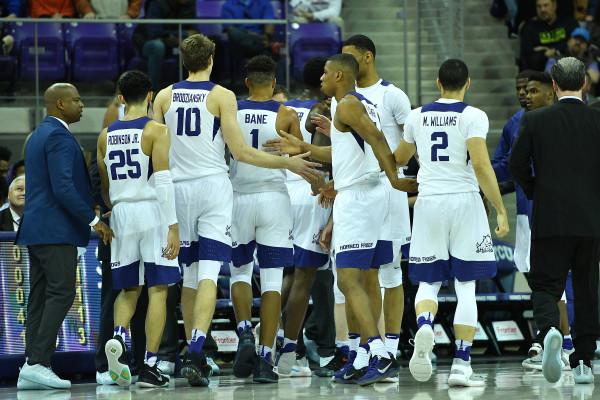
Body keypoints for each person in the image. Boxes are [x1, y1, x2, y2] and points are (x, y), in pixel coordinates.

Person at [152, 34, 319, 387]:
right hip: (228, 190)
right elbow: (241, 151)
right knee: (256, 277)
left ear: (183, 60)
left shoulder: (165, 95)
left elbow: (155, 150)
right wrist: (288, 164)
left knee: (199, 275)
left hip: (187, 189)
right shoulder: (228, 98)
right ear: (211, 58)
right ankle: (261, 356)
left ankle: (230, 335)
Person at [268, 53, 417, 386]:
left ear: (338, 75)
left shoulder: (348, 104)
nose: (320, 78)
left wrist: (394, 177)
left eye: (324, 73)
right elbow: (343, 154)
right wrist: (302, 146)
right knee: (365, 279)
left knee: (348, 280)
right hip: (369, 193)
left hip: (361, 198)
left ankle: (379, 353)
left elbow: (379, 140)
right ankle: (363, 356)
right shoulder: (348, 106)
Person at [394, 59, 509, 388]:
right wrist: (500, 209)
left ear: (437, 82)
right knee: (466, 286)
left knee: (427, 283)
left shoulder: (417, 116)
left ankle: (426, 323)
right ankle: (461, 364)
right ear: (468, 83)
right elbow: (482, 166)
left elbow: (400, 159)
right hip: (464, 203)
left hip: (429, 203)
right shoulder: (473, 116)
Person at [510, 57, 600, 385]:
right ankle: (584, 363)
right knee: (588, 288)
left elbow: (516, 164)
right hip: (591, 222)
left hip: (550, 218)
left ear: (554, 86)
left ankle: (549, 331)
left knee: (546, 285)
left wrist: (537, 190)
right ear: (585, 84)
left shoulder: (536, 121)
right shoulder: (597, 121)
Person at [16, 83, 113, 390]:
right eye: (76, 100)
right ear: (60, 104)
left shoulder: (38, 135)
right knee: (61, 293)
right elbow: (63, 187)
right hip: (56, 229)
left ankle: (31, 365)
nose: (82, 105)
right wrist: (94, 219)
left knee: (41, 297)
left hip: (37, 228)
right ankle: (38, 363)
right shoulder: (58, 135)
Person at [97, 71, 181, 388]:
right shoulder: (156, 130)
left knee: (128, 288)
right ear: (149, 95)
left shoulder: (105, 135)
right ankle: (149, 364)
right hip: (152, 211)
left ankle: (118, 339)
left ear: (120, 98)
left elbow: (105, 187)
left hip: (120, 213)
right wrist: (173, 226)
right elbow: (162, 180)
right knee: (159, 289)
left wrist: (117, 207)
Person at [228, 55, 305, 383]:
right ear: (274, 83)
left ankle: (245, 331)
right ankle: (265, 357)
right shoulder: (286, 114)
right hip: (274, 199)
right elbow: (301, 156)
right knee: (273, 280)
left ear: (246, 81)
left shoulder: (230, 110)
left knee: (240, 272)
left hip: (238, 198)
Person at [341, 34, 411, 379]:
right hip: (359, 188)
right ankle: (363, 351)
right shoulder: (346, 99)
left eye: (351, 58)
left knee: (390, 271)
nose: (345, 65)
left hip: (387, 188)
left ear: (367, 57)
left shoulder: (392, 94)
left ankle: (391, 348)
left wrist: (389, 169)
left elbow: (411, 139)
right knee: (360, 272)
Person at [275, 56, 337, 378]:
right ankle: (288, 353)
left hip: (282, 190)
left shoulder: (283, 108)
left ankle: (267, 339)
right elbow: (322, 155)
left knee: (285, 274)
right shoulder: (323, 111)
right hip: (313, 190)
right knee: (305, 277)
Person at [133, 0, 196, 91]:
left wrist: (181, 36)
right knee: (158, 46)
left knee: (197, 45)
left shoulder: (190, 5)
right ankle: (153, 91)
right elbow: (154, 32)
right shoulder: (157, 3)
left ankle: (190, 90)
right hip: (148, 42)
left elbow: (194, 31)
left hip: (175, 43)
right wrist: (183, 34)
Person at [519, 0, 578, 71]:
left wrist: (553, 51)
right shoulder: (529, 28)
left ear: (554, 6)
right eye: (539, 6)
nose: (542, 9)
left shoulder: (569, 23)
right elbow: (527, 57)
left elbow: (577, 46)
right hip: (540, 73)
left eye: (546, 5)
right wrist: (544, 54)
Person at [30, 0, 96, 18]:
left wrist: (87, 11)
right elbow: (35, 7)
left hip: (67, 19)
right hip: (42, 20)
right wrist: (50, 18)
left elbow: (80, 1)